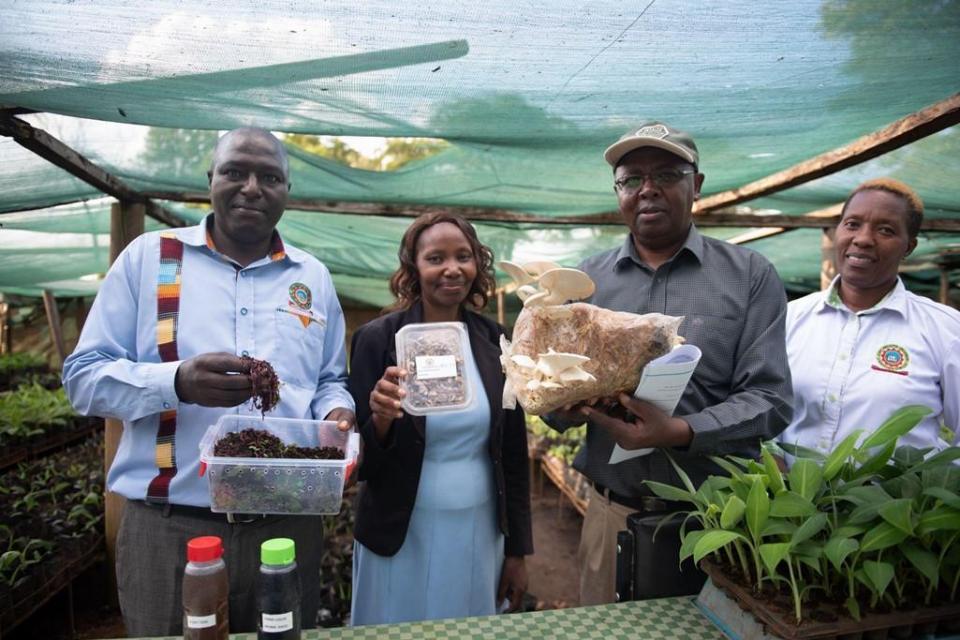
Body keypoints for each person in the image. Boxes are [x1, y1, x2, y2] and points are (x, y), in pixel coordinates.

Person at [62, 127, 356, 636]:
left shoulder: (313, 278)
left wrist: (336, 415)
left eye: (270, 177)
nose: (251, 187)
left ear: (286, 190)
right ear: (210, 180)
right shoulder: (148, 259)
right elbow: (83, 380)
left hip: (286, 528)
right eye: (234, 171)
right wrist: (176, 381)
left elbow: (329, 379)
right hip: (170, 528)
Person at [547, 122, 793, 605]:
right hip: (612, 514)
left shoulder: (749, 276)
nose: (647, 190)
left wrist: (679, 432)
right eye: (631, 178)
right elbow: (553, 396)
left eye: (667, 174)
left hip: (720, 522)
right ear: (618, 191)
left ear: (696, 184)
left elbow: (770, 399)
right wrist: (565, 401)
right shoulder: (583, 283)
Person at [347, 212, 533, 625]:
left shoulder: (495, 341)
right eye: (436, 258)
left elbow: (514, 454)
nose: (452, 269)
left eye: (463, 256)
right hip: (400, 531)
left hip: (479, 531)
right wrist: (379, 419)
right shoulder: (378, 340)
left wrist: (518, 551)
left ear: (477, 265)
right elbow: (361, 462)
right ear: (414, 268)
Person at [780, 178, 959, 455]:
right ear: (838, 230)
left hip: (894, 498)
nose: (863, 239)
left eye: (886, 230)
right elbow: (760, 409)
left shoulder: (945, 329)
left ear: (909, 247)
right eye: (852, 224)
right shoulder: (789, 318)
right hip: (789, 496)